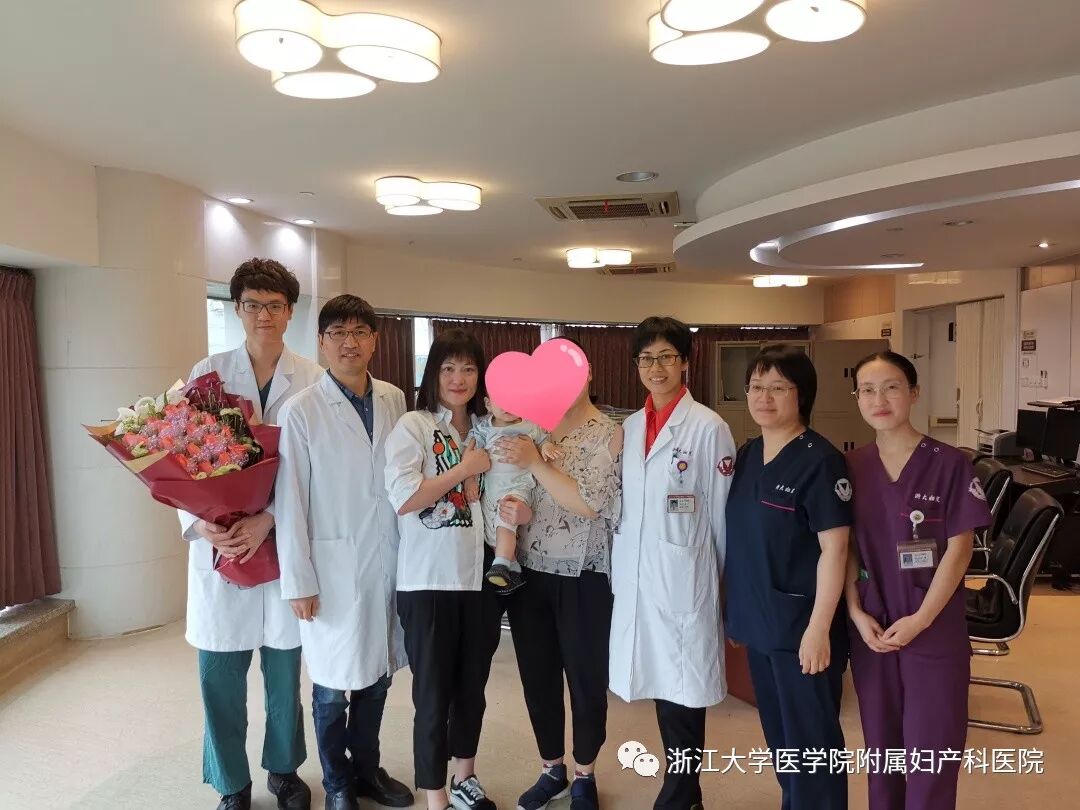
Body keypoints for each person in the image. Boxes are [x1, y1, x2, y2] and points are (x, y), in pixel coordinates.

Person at [177, 258, 322, 810]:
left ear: (290, 311)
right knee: (219, 675)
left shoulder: (313, 379)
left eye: (275, 305)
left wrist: (271, 518)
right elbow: (179, 461)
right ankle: (231, 783)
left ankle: (284, 770)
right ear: (237, 309)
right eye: (253, 304)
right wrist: (201, 523)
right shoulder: (208, 373)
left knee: (285, 676)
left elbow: (317, 473)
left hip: (283, 545)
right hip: (222, 548)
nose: (264, 315)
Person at [274, 295, 414, 810]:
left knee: (377, 675)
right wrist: (299, 581)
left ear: (375, 341)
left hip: (388, 557)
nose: (349, 343)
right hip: (331, 567)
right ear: (321, 342)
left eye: (359, 332)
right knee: (332, 686)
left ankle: (367, 770)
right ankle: (337, 783)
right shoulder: (301, 411)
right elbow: (289, 502)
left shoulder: (395, 399)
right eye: (337, 333)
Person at [384, 328, 524, 810]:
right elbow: (405, 497)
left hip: (482, 576)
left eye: (468, 368)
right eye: (448, 368)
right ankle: (436, 795)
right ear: (433, 374)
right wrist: (464, 470)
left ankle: (466, 777)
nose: (458, 378)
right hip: (429, 580)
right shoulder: (415, 426)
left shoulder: (491, 427)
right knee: (432, 695)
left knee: (472, 688)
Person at [845, 351, 990, 810]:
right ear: (857, 398)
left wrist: (922, 619)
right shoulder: (850, 466)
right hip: (873, 627)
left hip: (933, 627)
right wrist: (854, 611)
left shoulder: (949, 464)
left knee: (932, 750)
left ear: (913, 393)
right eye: (868, 390)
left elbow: (960, 550)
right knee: (882, 750)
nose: (879, 399)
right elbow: (845, 549)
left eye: (891, 387)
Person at [607, 316, 734, 810]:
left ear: (685, 362)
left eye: (666, 357)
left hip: (687, 578)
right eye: (646, 358)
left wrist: (722, 586)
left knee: (684, 693)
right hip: (641, 577)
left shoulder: (708, 427)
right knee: (663, 688)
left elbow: (722, 514)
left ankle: (679, 794)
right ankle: (688, 795)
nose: (655, 368)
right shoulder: (631, 426)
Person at [497, 337, 623, 810]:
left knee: (586, 681)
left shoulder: (609, 433)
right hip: (530, 573)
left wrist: (534, 461)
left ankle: (585, 773)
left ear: (587, 374)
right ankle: (552, 768)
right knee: (538, 677)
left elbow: (590, 503)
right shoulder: (533, 428)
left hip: (584, 576)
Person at [724, 344, 851, 810]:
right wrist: (736, 613)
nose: (764, 397)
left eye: (778, 387)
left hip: (802, 626)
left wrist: (819, 629)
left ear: (803, 395)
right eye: (757, 386)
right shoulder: (748, 454)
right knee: (781, 739)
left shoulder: (821, 460)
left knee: (813, 743)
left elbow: (836, 549)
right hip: (760, 622)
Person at [465, 396, 552, 594]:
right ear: (488, 404)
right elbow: (470, 455)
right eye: (501, 400)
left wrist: (547, 448)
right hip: (491, 488)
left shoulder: (529, 426)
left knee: (505, 521)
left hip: (518, 486)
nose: (508, 406)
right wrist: (470, 480)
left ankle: (501, 563)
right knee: (491, 530)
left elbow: (543, 440)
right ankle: (512, 569)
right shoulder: (483, 428)